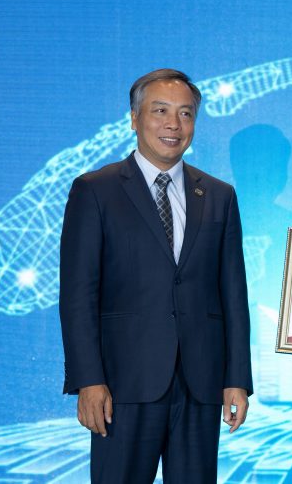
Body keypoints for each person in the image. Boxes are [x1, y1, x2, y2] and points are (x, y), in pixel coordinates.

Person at [59, 68, 252, 483]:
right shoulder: (95, 190)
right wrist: (88, 380)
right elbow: (77, 295)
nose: (173, 124)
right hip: (122, 385)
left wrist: (237, 379)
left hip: (200, 384)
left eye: (185, 114)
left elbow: (233, 295)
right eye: (160, 111)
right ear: (134, 118)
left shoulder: (218, 195)